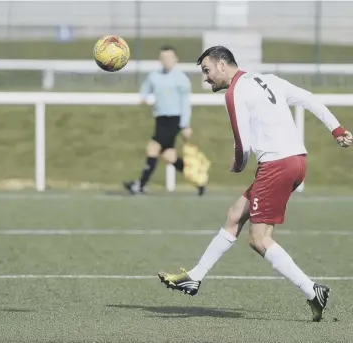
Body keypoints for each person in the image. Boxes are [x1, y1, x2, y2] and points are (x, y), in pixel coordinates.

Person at [157, 46, 352, 322]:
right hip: (296, 161)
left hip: (276, 165)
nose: (206, 78)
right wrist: (337, 129)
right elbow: (309, 99)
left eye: (207, 70)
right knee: (235, 216)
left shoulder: (235, 92)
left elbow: (241, 143)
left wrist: (238, 165)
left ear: (222, 65)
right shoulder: (268, 79)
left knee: (259, 239)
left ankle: (313, 290)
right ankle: (195, 277)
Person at [123, 45, 207, 196]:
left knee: (153, 148)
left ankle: (140, 185)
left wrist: (185, 124)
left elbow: (185, 104)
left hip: (173, 120)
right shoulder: (154, 76)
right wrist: (142, 97)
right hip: (160, 119)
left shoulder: (181, 79)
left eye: (169, 58)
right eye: (163, 58)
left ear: (175, 59)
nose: (166, 61)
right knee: (170, 156)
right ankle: (199, 180)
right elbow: (146, 88)